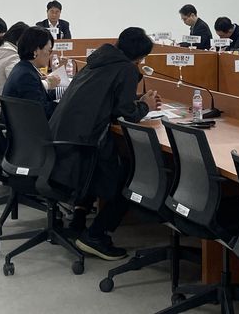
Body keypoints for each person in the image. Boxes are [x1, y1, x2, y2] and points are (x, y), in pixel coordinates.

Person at [49, 27, 161, 261]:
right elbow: (125, 113)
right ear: (140, 57)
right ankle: (96, 236)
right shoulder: (126, 68)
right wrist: (145, 106)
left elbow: (106, 98)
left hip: (65, 139)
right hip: (84, 144)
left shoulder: (97, 61)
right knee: (131, 178)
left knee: (108, 168)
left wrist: (138, 101)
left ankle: (78, 222)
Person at [2, 26, 62, 119]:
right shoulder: (26, 76)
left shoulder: (23, 68)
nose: (50, 55)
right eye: (49, 51)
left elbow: (40, 96)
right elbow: (42, 111)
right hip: (28, 126)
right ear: (36, 51)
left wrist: (66, 92)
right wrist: (67, 106)